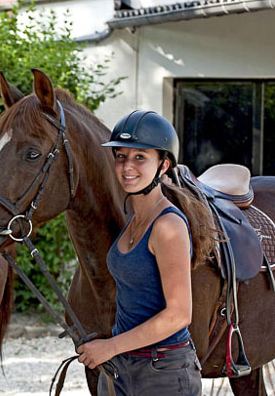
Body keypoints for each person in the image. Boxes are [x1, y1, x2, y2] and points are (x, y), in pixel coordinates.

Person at [77, 110, 217, 395]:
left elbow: (179, 315)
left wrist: (109, 347)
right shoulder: (134, 219)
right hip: (123, 366)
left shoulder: (168, 227)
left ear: (163, 165)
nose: (127, 167)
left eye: (140, 157)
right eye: (121, 156)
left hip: (162, 372)